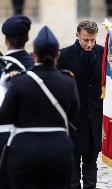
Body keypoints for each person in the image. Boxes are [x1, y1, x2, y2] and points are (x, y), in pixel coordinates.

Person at [0, 26, 80, 189]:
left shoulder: (19, 81)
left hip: (25, 150)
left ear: (34, 54)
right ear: (58, 54)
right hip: (59, 149)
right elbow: (73, 113)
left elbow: (5, 115)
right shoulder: (68, 81)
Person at [57, 20, 104, 189]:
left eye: (93, 40)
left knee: (91, 166)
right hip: (73, 122)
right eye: (86, 40)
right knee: (73, 170)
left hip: (94, 121)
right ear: (77, 35)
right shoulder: (64, 55)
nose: (90, 44)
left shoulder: (104, 53)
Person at [0, 14, 34, 189]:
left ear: (6, 40)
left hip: (5, 139)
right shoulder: (36, 66)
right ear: (27, 38)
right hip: (31, 138)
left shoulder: (4, 66)